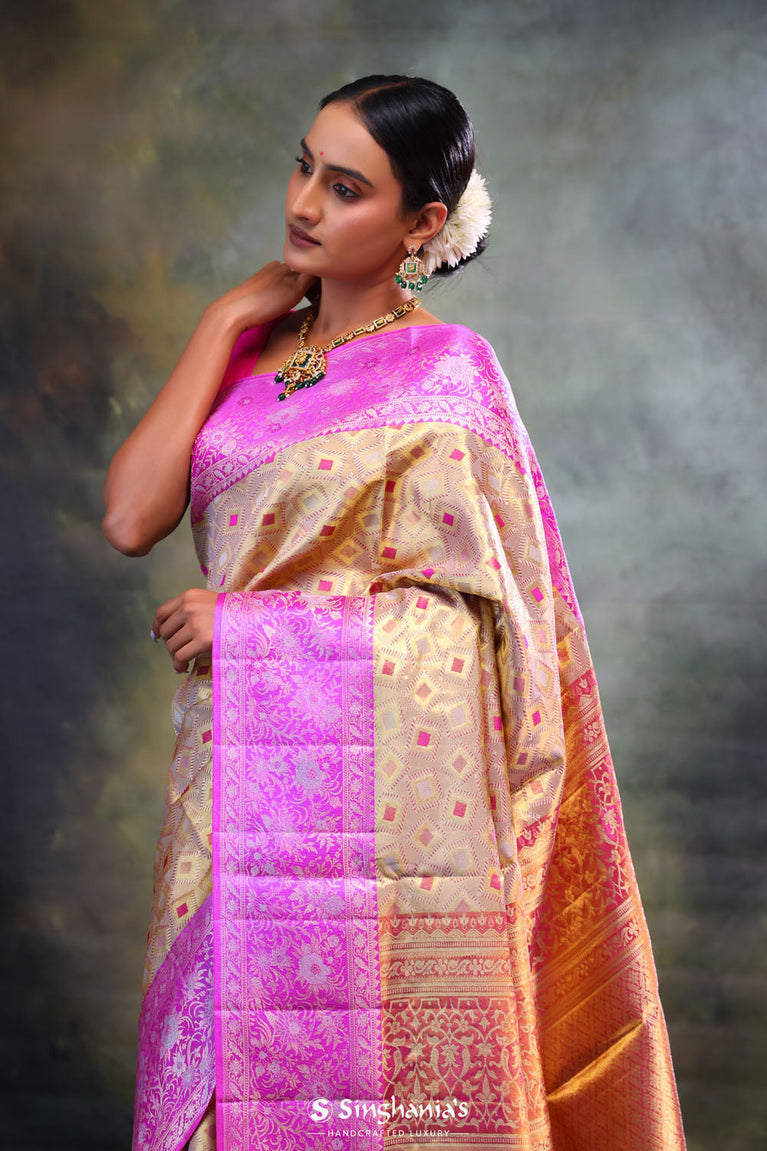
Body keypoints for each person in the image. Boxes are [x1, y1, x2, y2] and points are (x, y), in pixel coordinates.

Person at [103, 75, 686, 1151]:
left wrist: (251, 632)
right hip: (230, 794)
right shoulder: (248, 353)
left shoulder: (450, 376)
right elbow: (131, 516)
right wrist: (223, 318)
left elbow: (480, 633)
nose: (303, 205)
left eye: (345, 188)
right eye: (302, 167)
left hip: (382, 826)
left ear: (421, 223)